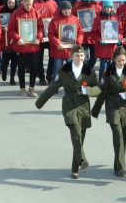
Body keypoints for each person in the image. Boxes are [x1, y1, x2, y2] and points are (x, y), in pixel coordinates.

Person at [35, 45, 101, 179]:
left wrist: (88, 91)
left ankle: (74, 168)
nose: (80, 58)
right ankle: (82, 160)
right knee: (76, 133)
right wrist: (39, 102)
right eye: (77, 56)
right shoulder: (64, 71)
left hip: (83, 106)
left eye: (82, 56)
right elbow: (53, 87)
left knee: (80, 139)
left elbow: (98, 88)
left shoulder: (90, 72)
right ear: (71, 57)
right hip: (69, 105)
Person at [91, 47, 126, 177]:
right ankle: (122, 166)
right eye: (119, 60)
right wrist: (95, 109)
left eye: (123, 60)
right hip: (112, 106)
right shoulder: (107, 73)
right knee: (118, 135)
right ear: (114, 60)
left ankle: (117, 165)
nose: (122, 62)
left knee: (123, 138)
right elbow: (102, 91)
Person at [7, 0, 44, 97]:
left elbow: (41, 28)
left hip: (33, 46)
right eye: (27, 4)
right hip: (21, 46)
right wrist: (17, 39)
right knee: (21, 67)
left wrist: (38, 38)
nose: (29, 7)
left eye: (31, 4)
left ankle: (31, 87)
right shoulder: (16, 13)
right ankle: (22, 88)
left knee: (34, 67)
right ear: (23, 2)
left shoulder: (36, 13)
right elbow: (11, 29)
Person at [48, 1, 84, 80]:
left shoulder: (75, 20)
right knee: (57, 70)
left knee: (70, 70)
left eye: (69, 9)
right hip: (58, 50)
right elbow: (51, 34)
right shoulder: (54, 20)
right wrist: (57, 43)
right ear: (61, 10)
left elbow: (80, 33)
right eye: (65, 9)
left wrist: (78, 43)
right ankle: (55, 86)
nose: (67, 11)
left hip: (71, 51)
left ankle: (70, 87)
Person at [94, 1, 123, 81]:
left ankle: (111, 83)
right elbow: (94, 33)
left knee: (112, 66)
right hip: (102, 47)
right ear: (103, 8)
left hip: (113, 47)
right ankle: (101, 83)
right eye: (106, 7)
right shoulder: (98, 19)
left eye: (109, 7)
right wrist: (99, 40)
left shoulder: (116, 18)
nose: (108, 9)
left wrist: (119, 39)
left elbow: (121, 31)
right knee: (103, 66)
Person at [0, 0, 18, 85]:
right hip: (5, 38)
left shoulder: (18, 12)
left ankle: (12, 77)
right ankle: (4, 71)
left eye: (13, 3)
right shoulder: (2, 11)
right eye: (9, 3)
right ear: (7, 3)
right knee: (5, 60)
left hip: (15, 39)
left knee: (14, 61)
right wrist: (3, 29)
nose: (11, 4)